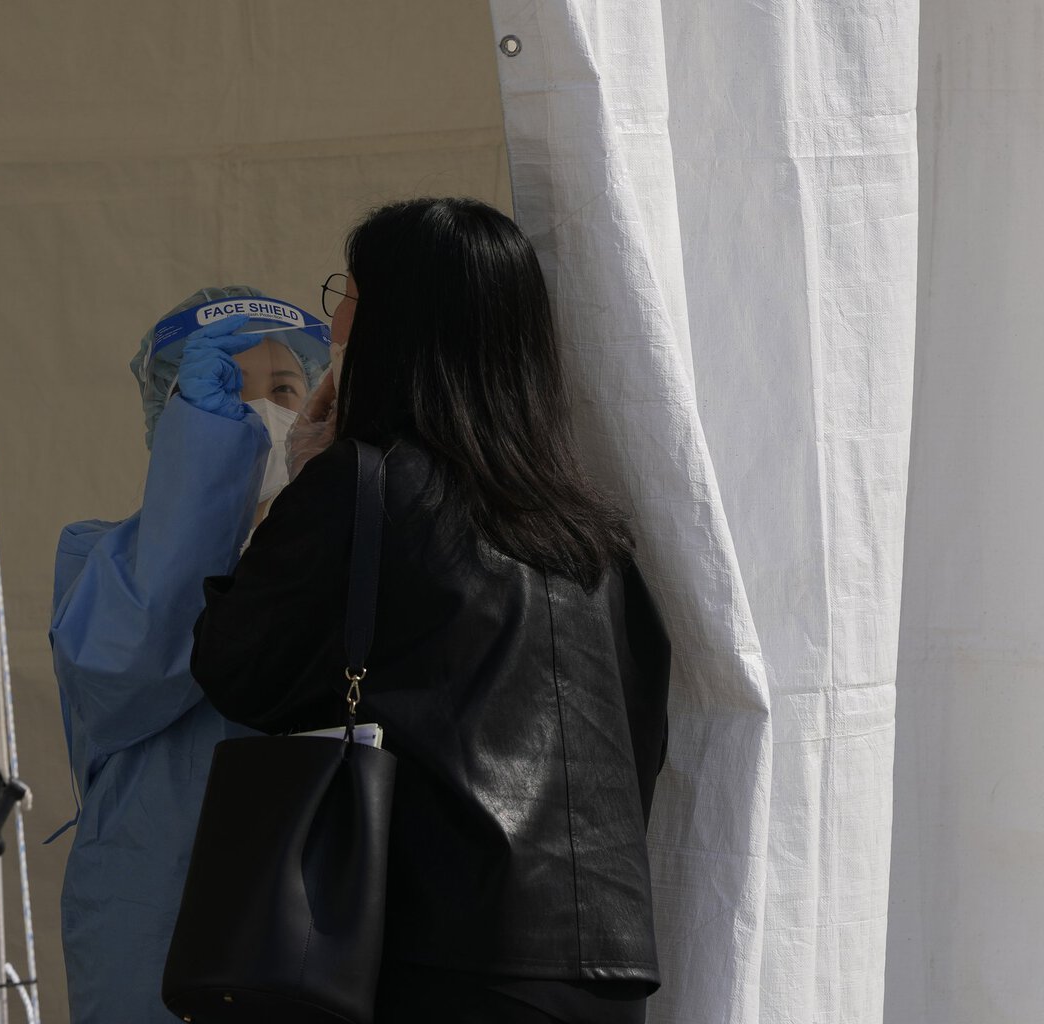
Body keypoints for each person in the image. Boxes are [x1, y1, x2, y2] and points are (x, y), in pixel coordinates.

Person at [190, 198, 671, 1024]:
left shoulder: (364, 486)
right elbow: (640, 739)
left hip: (436, 950)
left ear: (395, 325)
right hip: (605, 962)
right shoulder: (598, 539)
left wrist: (302, 489)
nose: (336, 323)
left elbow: (235, 666)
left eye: (349, 297)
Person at [49, 286, 330, 1024]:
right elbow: (131, 671)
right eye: (224, 389)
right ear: (172, 415)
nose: (257, 411)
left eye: (285, 389)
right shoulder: (98, 558)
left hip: (302, 932)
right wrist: (208, 464)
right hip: (151, 928)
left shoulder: (342, 563)